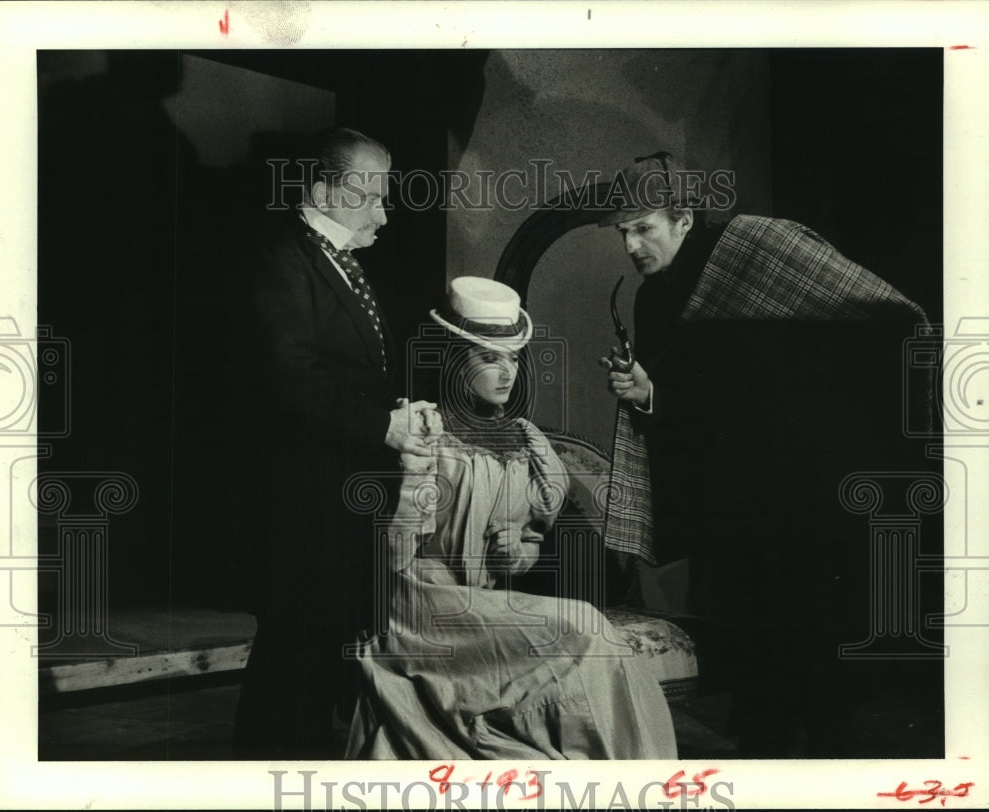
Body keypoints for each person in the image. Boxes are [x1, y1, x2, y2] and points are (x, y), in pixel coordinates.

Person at [597, 152, 932, 757]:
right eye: (623, 231)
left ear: (684, 219)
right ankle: (767, 743)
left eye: (644, 227)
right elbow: (688, 406)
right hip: (735, 500)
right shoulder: (652, 301)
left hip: (813, 485)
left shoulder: (758, 246)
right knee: (752, 634)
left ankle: (834, 751)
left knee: (821, 634)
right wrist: (648, 396)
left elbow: (877, 315)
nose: (631, 245)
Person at [346, 277, 678, 759]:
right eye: (490, 359)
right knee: (583, 626)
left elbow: (525, 552)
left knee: (588, 640)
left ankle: (637, 783)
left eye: (514, 359)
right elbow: (389, 555)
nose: (507, 373)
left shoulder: (526, 441)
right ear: (458, 360)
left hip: (483, 605)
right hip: (420, 607)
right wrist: (415, 472)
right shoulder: (421, 427)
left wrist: (518, 554)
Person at [233, 127, 436, 759]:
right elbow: (289, 378)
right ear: (324, 188)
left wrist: (393, 411)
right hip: (300, 499)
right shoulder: (282, 256)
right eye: (372, 194)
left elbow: (343, 375)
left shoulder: (338, 262)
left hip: (337, 495)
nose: (384, 210)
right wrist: (384, 427)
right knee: (291, 659)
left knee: (320, 654)